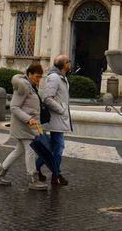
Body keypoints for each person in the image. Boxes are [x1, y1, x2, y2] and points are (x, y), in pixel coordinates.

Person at [0, 63, 54, 191]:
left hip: (28, 125)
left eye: (40, 77)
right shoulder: (23, 86)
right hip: (23, 125)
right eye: (37, 76)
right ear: (30, 74)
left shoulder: (32, 86)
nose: (38, 79)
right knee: (30, 149)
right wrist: (29, 119)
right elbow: (14, 107)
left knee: (18, 151)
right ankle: (32, 179)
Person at [36, 54, 74, 186]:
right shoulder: (54, 78)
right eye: (68, 61)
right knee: (59, 147)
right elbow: (47, 98)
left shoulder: (62, 78)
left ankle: (38, 168)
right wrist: (61, 110)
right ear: (64, 65)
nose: (70, 63)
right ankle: (56, 175)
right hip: (55, 119)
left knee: (53, 148)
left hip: (59, 119)